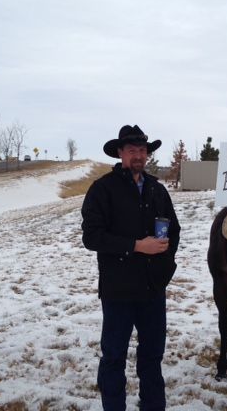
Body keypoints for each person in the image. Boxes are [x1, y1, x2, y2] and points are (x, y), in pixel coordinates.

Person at [82, 125, 180, 411]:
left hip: (152, 289)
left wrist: (165, 266)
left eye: (142, 150)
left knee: (152, 356)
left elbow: (174, 230)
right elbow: (92, 237)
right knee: (113, 356)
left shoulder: (157, 189)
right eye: (132, 150)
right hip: (118, 290)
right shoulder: (103, 189)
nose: (138, 155)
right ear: (121, 153)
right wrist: (136, 246)